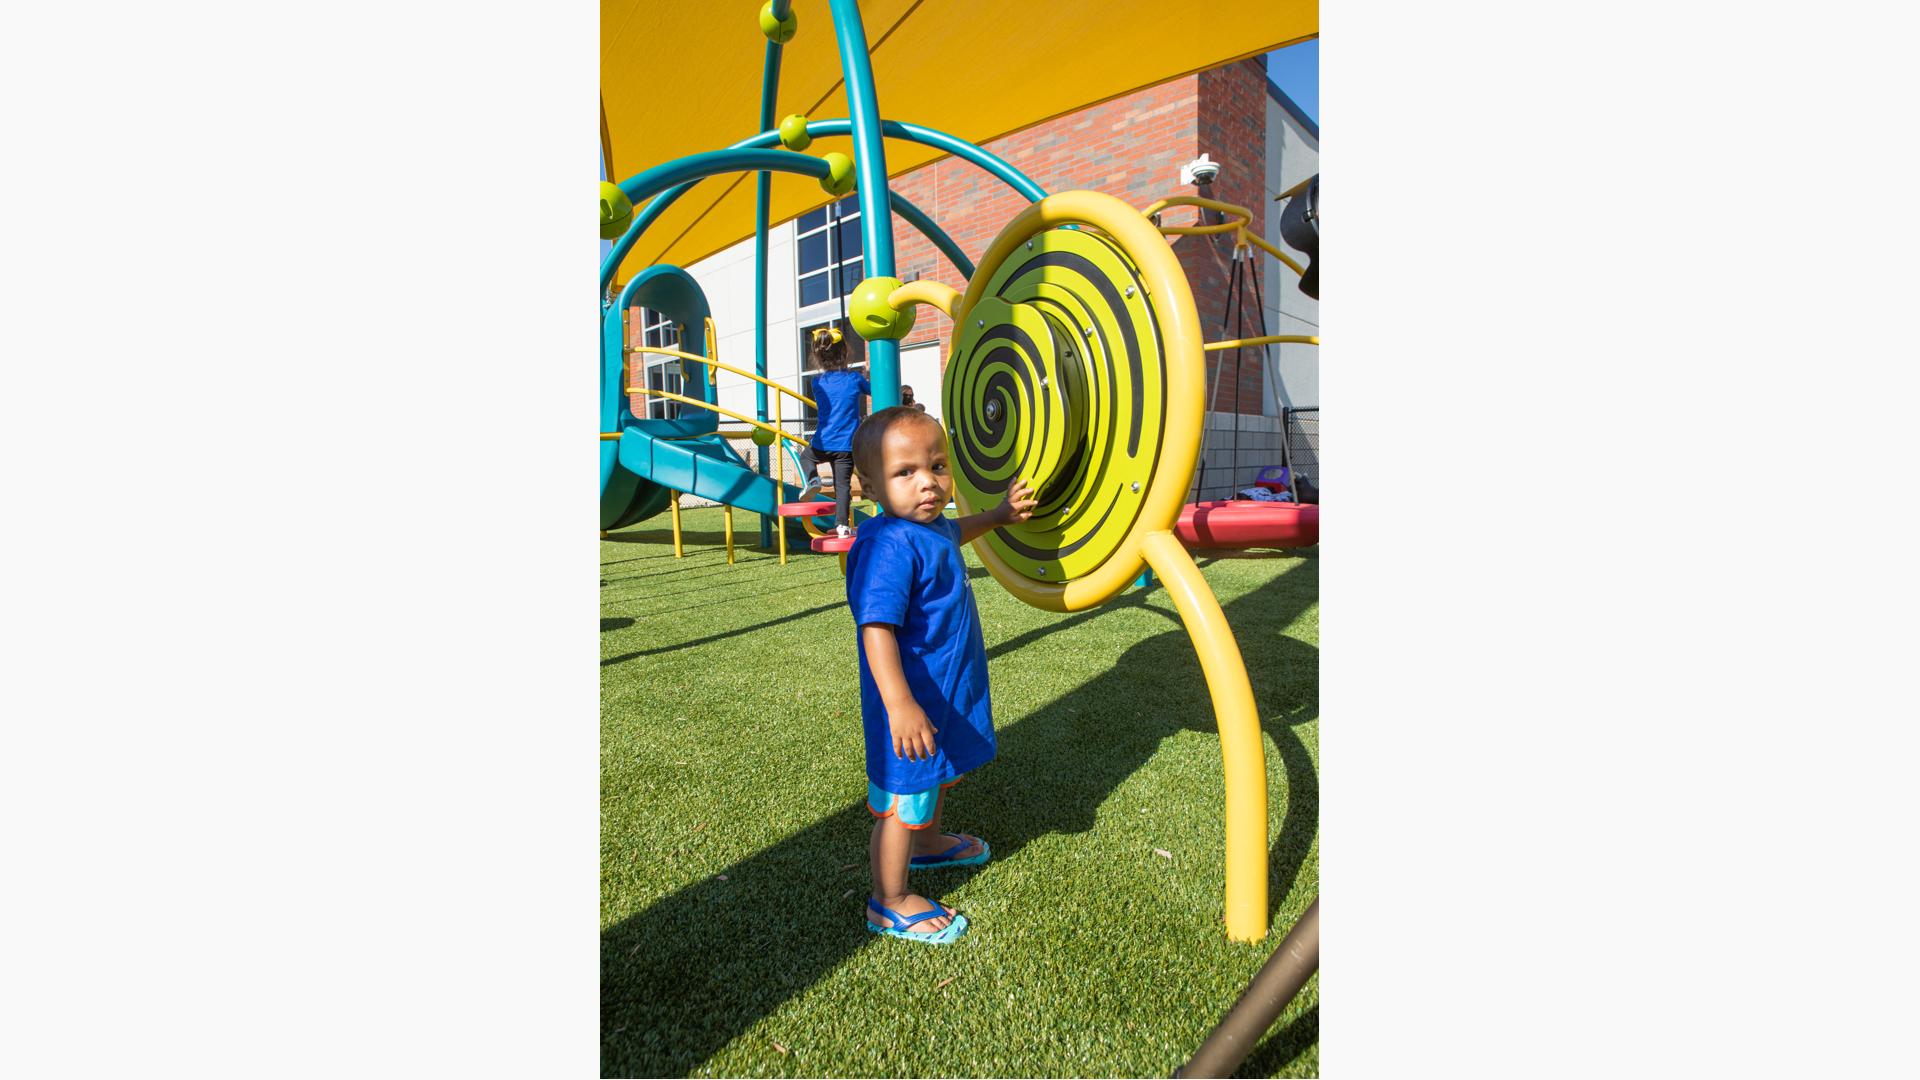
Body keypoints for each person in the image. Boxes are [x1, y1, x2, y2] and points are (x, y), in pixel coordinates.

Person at [844, 406, 1037, 943]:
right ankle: (889, 900)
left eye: (937, 466)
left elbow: (957, 530)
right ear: (870, 487)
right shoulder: (888, 545)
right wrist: (900, 705)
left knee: (935, 776)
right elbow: (875, 629)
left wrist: (997, 516)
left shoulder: (928, 527)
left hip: (943, 692)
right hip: (910, 699)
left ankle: (927, 847)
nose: (928, 482)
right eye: (906, 472)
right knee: (904, 797)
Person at [806, 327, 869, 537]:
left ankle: (813, 478)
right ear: (845, 353)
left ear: (818, 357)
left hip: (823, 443)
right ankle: (842, 525)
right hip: (846, 446)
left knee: (805, 457)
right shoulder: (855, 379)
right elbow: (872, 390)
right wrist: (867, 375)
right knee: (843, 487)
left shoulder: (817, 383)